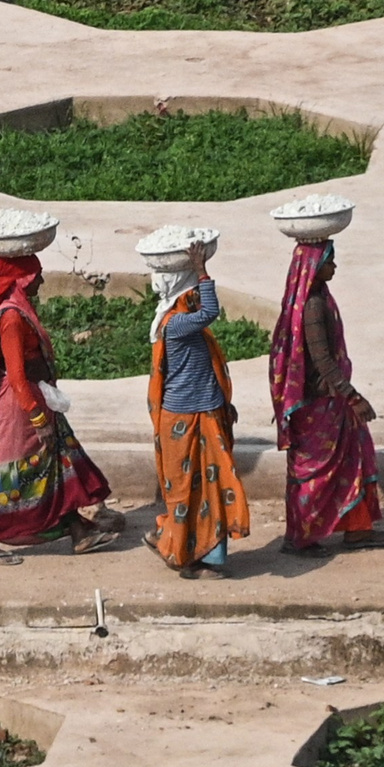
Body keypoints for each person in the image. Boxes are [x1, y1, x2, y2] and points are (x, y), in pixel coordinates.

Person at [0, 251, 121, 564]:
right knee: (12, 471)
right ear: (22, 279)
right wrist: (38, 418)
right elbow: (18, 376)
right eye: (36, 276)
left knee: (55, 462)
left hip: (35, 398)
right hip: (21, 406)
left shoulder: (19, 308)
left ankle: (79, 531)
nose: (42, 281)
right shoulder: (10, 317)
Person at [270, 238, 384, 554]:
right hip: (319, 403)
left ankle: (358, 530)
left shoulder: (319, 296)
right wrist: (353, 396)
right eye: (330, 261)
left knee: (354, 459)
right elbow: (322, 359)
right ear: (316, 268)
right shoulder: (313, 306)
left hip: (330, 401)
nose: (335, 266)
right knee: (316, 473)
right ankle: (301, 537)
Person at [143, 238, 250, 579]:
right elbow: (211, 312)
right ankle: (189, 553)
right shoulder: (175, 325)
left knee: (212, 488)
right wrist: (203, 269)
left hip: (205, 412)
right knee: (190, 489)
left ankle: (200, 552)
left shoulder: (180, 324)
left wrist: (223, 405)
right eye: (193, 289)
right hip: (186, 419)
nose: (196, 295)